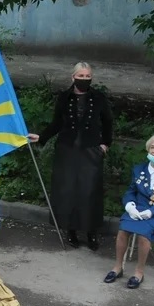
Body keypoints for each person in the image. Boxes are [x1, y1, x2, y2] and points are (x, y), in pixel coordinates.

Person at [26, 62, 113, 250]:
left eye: (87, 76)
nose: (84, 79)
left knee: (90, 191)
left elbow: (108, 122)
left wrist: (105, 143)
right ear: (73, 77)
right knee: (68, 191)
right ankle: (71, 231)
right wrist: (42, 136)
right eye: (80, 76)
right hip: (67, 150)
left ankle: (91, 233)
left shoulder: (99, 97)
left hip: (91, 150)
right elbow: (57, 122)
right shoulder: (64, 97)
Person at [104, 133, 154, 288]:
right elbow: (131, 191)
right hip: (138, 209)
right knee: (122, 231)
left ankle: (139, 272)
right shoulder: (139, 169)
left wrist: (152, 212)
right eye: (152, 147)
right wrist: (130, 206)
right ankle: (118, 267)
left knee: (143, 235)